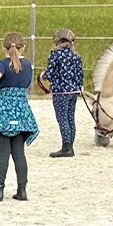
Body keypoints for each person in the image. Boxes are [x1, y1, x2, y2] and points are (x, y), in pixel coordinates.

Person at [0, 31, 39, 201]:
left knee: (2, 152)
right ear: (23, 47)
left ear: (4, 48)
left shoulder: (3, 64)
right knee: (19, 152)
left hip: (3, 110)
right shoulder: (28, 65)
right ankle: (22, 189)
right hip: (21, 110)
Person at [38, 28, 83, 157]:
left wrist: (42, 75)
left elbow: (50, 73)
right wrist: (79, 87)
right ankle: (70, 145)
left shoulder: (55, 54)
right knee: (70, 118)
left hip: (60, 92)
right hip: (73, 91)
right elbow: (79, 74)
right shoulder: (76, 56)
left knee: (62, 119)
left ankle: (66, 147)